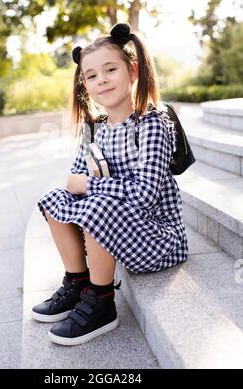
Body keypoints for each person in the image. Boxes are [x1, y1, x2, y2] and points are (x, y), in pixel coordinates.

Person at [32, 22, 188, 346]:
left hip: (157, 239)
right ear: (85, 85)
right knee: (53, 199)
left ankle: (101, 302)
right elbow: (72, 184)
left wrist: (91, 186)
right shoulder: (94, 129)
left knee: (95, 204)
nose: (100, 79)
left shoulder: (152, 123)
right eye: (91, 75)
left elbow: (145, 195)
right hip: (120, 229)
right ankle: (78, 282)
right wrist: (84, 186)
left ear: (132, 72)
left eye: (109, 69)